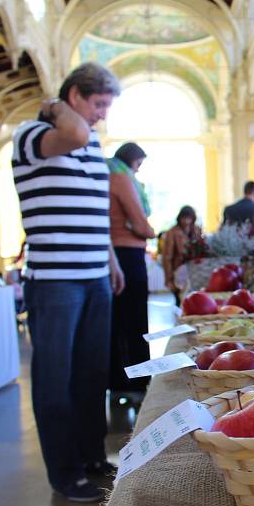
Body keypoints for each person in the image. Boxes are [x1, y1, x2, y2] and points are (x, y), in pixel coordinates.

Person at [12, 62, 123, 502]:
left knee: (93, 376)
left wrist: (109, 257)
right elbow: (73, 132)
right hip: (55, 280)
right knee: (55, 379)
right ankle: (65, 471)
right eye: (98, 104)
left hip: (95, 275)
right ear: (74, 95)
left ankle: (93, 456)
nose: (101, 116)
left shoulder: (91, 141)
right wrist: (53, 104)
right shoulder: (31, 135)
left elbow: (92, 208)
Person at [107, 142, 155, 399]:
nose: (137, 172)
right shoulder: (121, 178)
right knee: (135, 322)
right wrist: (149, 231)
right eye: (138, 165)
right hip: (128, 254)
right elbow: (141, 224)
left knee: (116, 323)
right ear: (131, 161)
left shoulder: (104, 173)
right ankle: (137, 384)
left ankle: (116, 382)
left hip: (112, 254)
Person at [163, 205, 202, 305]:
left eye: (189, 218)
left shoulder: (197, 230)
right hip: (178, 272)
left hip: (194, 272)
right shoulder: (172, 232)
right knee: (180, 301)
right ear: (179, 218)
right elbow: (167, 257)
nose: (186, 221)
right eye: (184, 218)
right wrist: (169, 279)